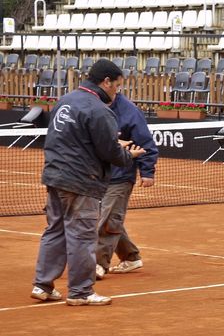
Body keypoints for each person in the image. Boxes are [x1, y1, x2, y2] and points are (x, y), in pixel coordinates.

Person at [31, 59, 146, 306]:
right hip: (82, 181)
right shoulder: (99, 110)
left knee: (55, 231)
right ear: (106, 82)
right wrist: (128, 154)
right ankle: (81, 292)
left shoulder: (65, 100)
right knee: (82, 237)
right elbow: (110, 153)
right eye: (116, 86)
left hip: (55, 176)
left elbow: (71, 138)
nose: (117, 91)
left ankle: (43, 286)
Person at [95, 92, 158, 279]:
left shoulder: (130, 112)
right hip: (96, 175)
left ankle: (98, 263)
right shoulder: (92, 105)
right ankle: (130, 257)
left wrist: (147, 172)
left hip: (121, 176)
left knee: (107, 220)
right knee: (108, 218)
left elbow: (146, 143)